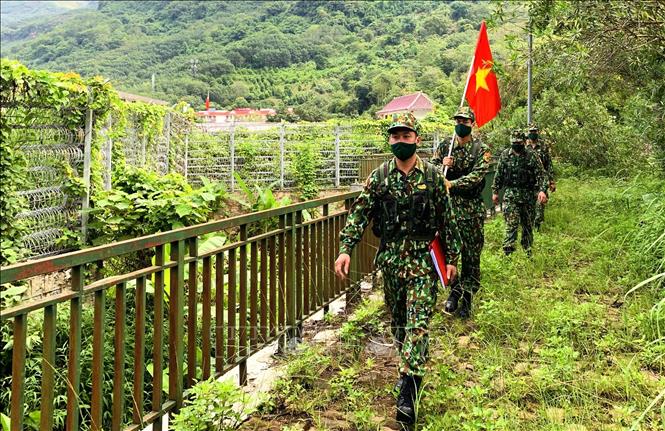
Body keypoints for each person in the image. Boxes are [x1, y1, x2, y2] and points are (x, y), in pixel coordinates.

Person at [334, 113, 461, 425]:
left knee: (418, 324)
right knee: (401, 323)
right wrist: (345, 249)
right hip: (391, 261)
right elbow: (359, 214)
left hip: (422, 262)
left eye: (406, 136)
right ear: (389, 140)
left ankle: (409, 389)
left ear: (417, 138)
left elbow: (447, 219)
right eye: (395, 137)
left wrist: (454, 258)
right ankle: (408, 367)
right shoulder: (379, 177)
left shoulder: (432, 176)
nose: (400, 141)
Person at [431, 107, 491, 319]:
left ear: (472, 124)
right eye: (458, 120)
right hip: (449, 209)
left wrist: (452, 183)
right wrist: (441, 167)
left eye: (465, 121)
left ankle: (467, 299)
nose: (460, 124)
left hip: (471, 209)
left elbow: (477, 176)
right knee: (450, 253)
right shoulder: (445, 146)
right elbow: (432, 169)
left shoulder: (481, 149)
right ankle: (454, 293)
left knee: (471, 255)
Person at [492, 130, 548, 256]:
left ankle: (527, 250)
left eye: (519, 142)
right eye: (514, 142)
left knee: (527, 225)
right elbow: (499, 174)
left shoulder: (531, 155)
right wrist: (495, 191)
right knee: (511, 224)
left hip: (528, 196)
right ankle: (508, 252)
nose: (516, 144)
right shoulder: (505, 155)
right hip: (511, 195)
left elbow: (541, 175)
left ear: (524, 142)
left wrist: (542, 190)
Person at [526, 124, 555, 230]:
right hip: (528, 181)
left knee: (540, 204)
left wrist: (551, 181)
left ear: (538, 133)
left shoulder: (544, 146)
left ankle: (537, 226)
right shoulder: (525, 147)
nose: (533, 133)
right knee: (529, 205)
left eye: (535, 131)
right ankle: (529, 226)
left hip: (541, 179)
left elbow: (549, 164)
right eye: (531, 131)